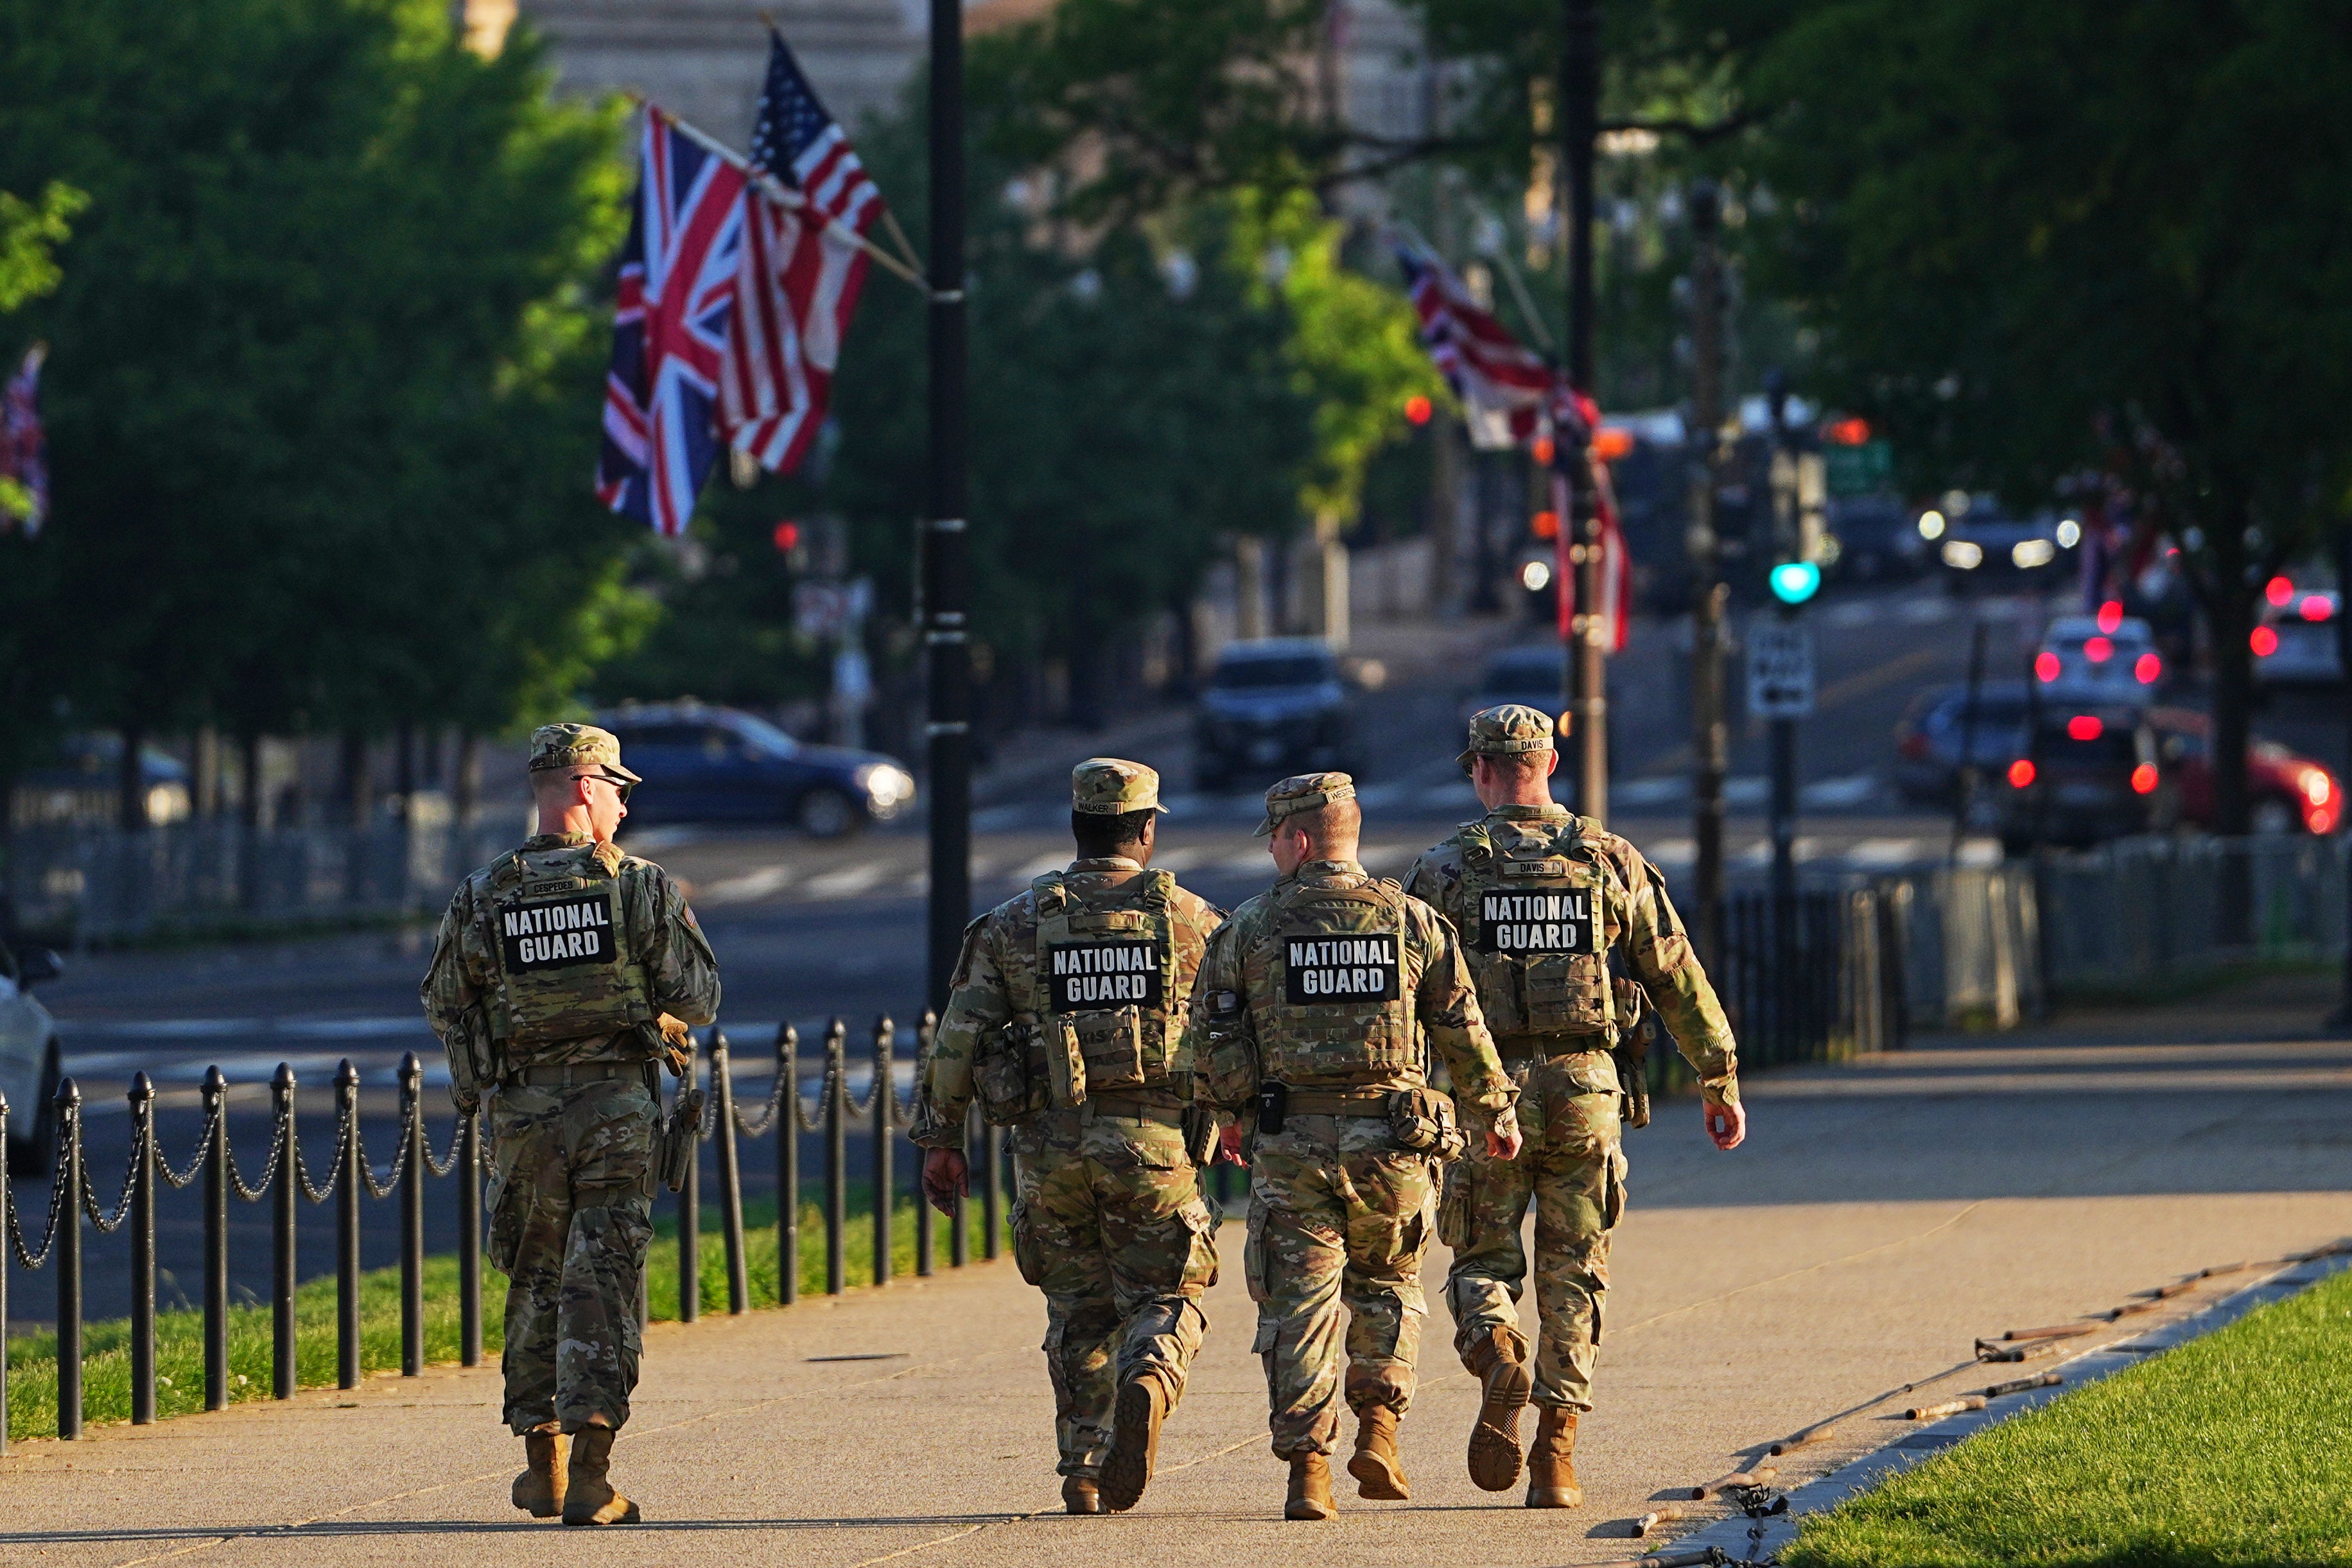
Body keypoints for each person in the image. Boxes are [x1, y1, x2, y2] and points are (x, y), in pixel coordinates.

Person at [1403, 704, 1745, 1509]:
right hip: (1587, 1090)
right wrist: (1718, 1076)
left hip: (1488, 1101)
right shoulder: (1608, 860)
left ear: (1482, 771)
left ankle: (1495, 1353)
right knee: (1575, 1274)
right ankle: (1557, 1457)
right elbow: (1673, 973)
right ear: (1550, 763)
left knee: (1481, 1260)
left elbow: (1407, 995)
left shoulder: (1445, 868)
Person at [1185, 772, 1521, 1520]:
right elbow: (1463, 1029)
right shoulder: (1413, 922)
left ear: (1299, 838)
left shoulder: (1247, 927)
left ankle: (1309, 1471)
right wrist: (1495, 1110)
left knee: (1299, 1306)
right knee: (1388, 1285)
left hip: (1291, 1143)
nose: (1272, 849)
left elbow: (1209, 1037)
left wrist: (1229, 1113)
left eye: (1275, 836)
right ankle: (1380, 1428)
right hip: (1396, 1144)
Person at [421, 722, 720, 1526]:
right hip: (615, 1109)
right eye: (619, 791)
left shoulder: (484, 892)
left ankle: (540, 1466)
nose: (623, 809)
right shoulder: (639, 886)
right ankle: (593, 1473)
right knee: (604, 1279)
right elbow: (697, 998)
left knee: (535, 1278)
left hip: (522, 1114)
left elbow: (447, 999)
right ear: (587, 787)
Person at [910, 758, 1225, 1515]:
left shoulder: (1016, 923)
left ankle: (1084, 1467)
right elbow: (1233, 1029)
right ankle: (1150, 1373)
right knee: (1169, 1291)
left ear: (1077, 827)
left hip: (1047, 1153)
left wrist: (940, 1139)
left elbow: (959, 1037)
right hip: (1155, 1148)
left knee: (1078, 1310)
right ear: (1146, 831)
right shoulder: (1192, 920)